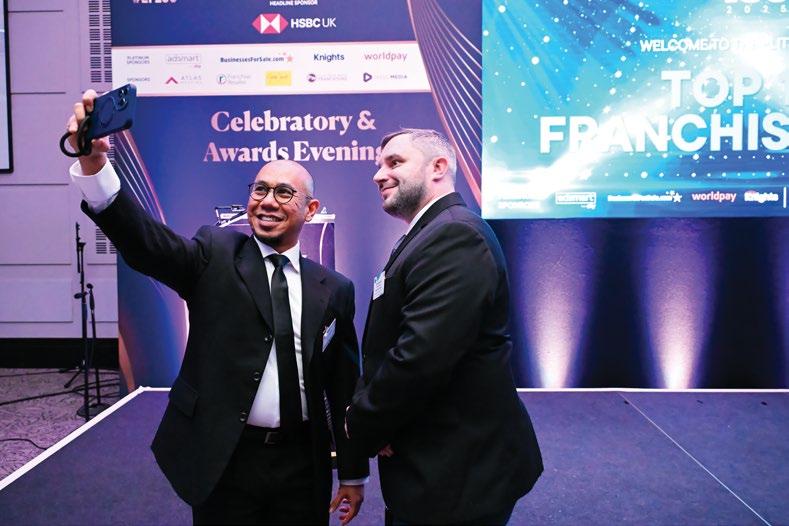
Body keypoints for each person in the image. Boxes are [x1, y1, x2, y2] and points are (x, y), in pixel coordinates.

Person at [65, 90, 367, 525]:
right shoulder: (215, 253)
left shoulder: (334, 289)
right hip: (226, 461)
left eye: (284, 193)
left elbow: (342, 386)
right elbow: (147, 243)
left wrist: (353, 472)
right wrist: (95, 166)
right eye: (260, 189)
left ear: (311, 209)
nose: (267, 201)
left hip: (304, 465)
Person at [345, 129, 543, 525]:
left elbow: (422, 356)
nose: (378, 175)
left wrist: (364, 421)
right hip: (438, 464)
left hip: (459, 473)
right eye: (379, 165)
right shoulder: (429, 233)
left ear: (438, 167)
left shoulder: (454, 235)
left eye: (395, 162)